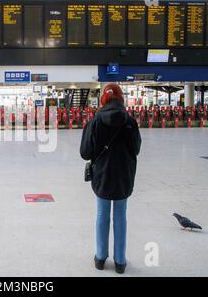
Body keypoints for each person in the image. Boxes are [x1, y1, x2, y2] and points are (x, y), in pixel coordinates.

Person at [80, 84, 142, 274]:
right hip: (124, 175)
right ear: (121, 98)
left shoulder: (95, 121)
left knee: (102, 214)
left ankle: (100, 257)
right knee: (121, 216)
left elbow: (84, 152)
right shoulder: (130, 121)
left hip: (102, 176)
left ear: (103, 99)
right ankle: (120, 261)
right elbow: (136, 149)